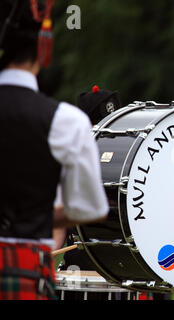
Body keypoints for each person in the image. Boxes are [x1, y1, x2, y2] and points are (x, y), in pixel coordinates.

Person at [0, 0, 108, 300]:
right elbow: (91, 207)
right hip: (24, 263)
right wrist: (38, 213)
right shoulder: (67, 121)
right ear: (42, 49)